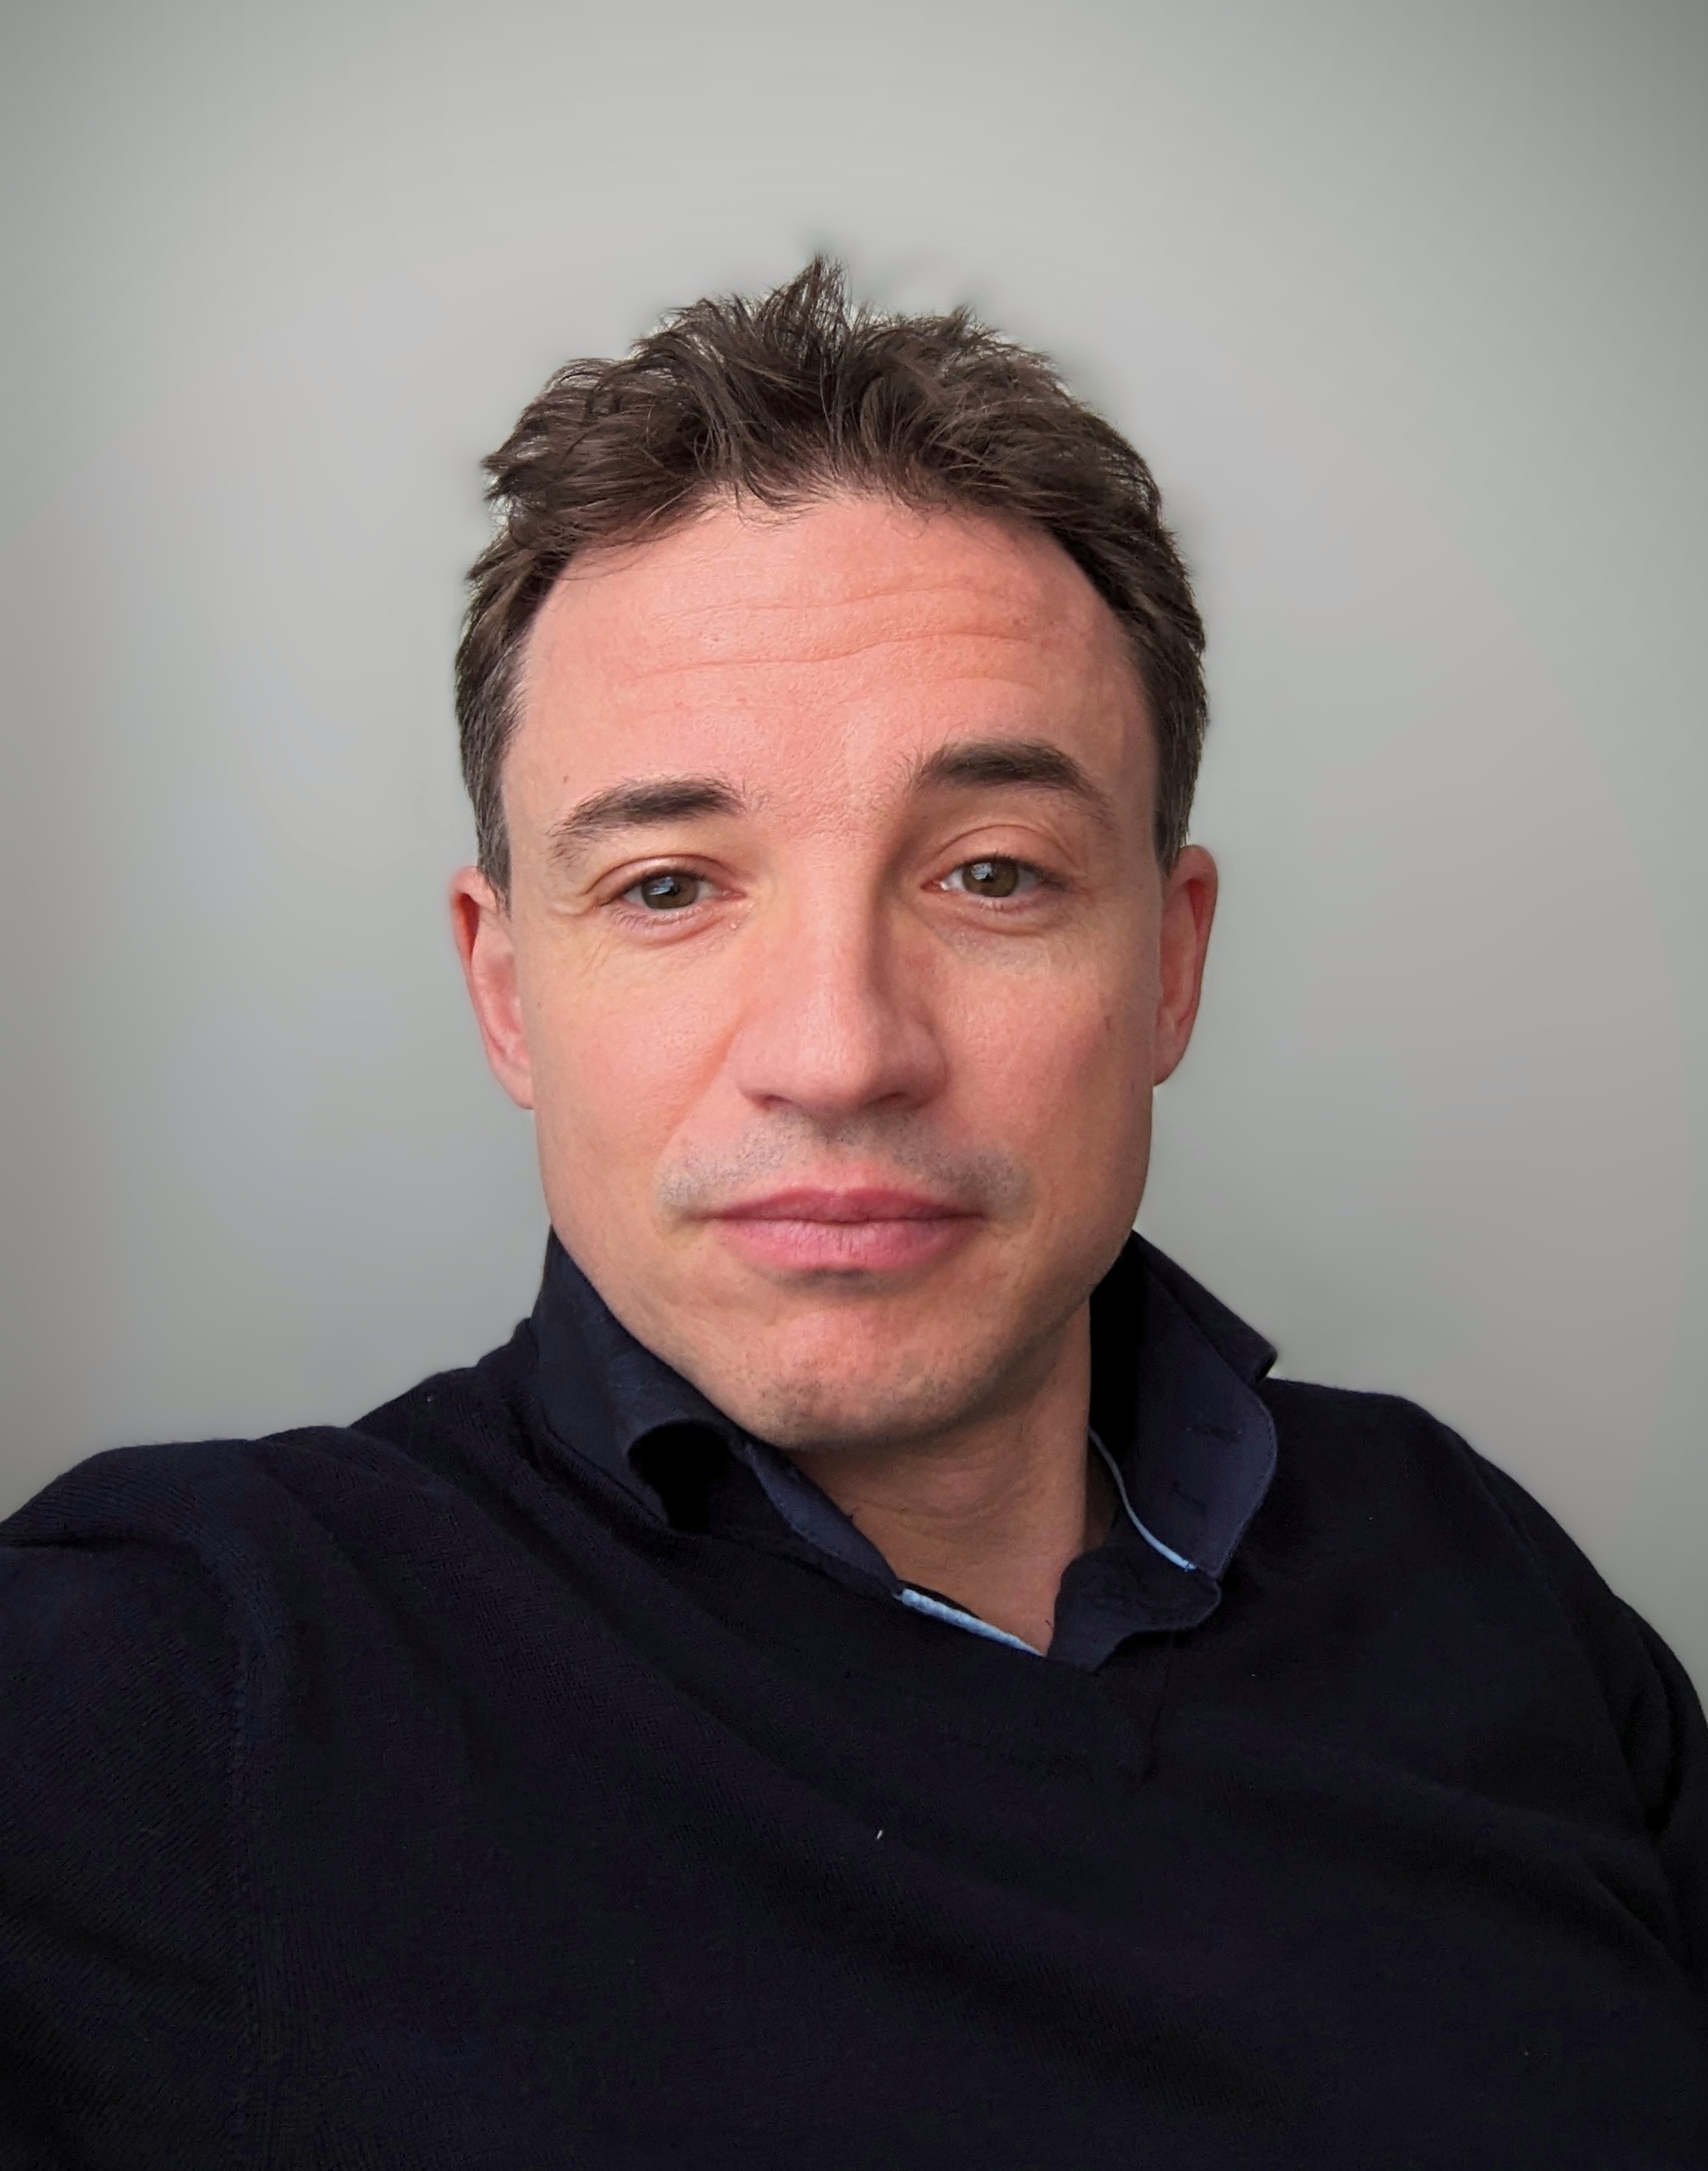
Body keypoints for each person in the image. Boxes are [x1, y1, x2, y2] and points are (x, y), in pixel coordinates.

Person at [2, 259, 1702, 2169]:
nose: (838, 1051)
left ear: (1170, 962)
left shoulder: (1481, 1578)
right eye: (668, 886)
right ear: (505, 990)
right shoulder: (173, 1672)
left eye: (992, 874)